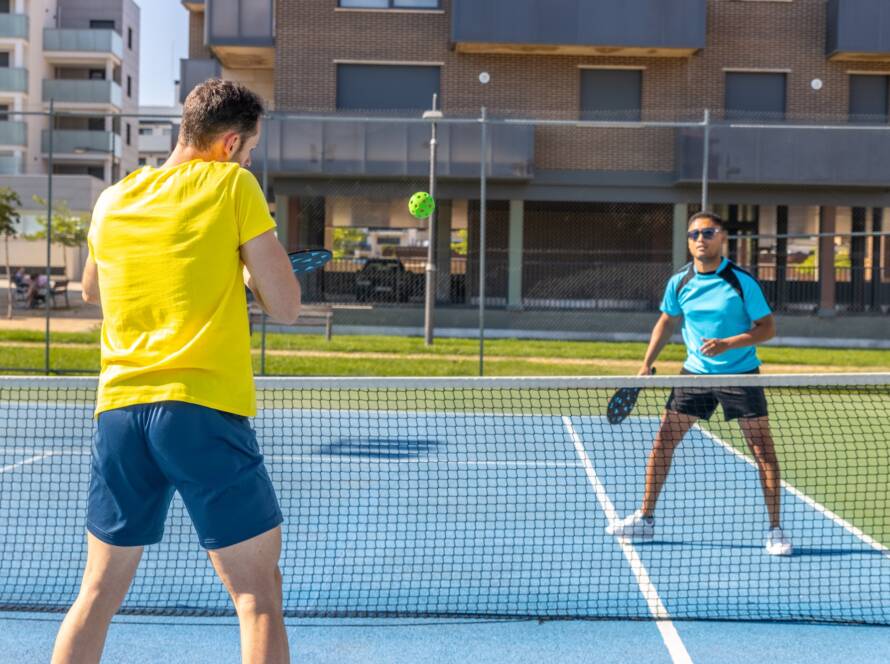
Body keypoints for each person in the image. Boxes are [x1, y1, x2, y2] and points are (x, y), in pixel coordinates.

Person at [51, 79, 299, 664]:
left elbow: (94, 290)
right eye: (251, 148)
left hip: (119, 415)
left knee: (97, 592)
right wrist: (246, 276)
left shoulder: (113, 199)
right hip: (200, 413)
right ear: (230, 143)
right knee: (257, 597)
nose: (249, 159)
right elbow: (285, 306)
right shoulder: (234, 184)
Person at [606, 211, 792, 557]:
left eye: (708, 232)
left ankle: (775, 530)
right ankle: (645, 519)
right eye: (694, 234)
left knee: (762, 450)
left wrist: (729, 343)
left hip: (739, 375)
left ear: (722, 238)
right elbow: (666, 321)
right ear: (688, 241)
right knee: (663, 443)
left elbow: (767, 328)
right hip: (694, 375)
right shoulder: (680, 281)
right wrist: (646, 363)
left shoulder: (741, 281)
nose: (700, 239)